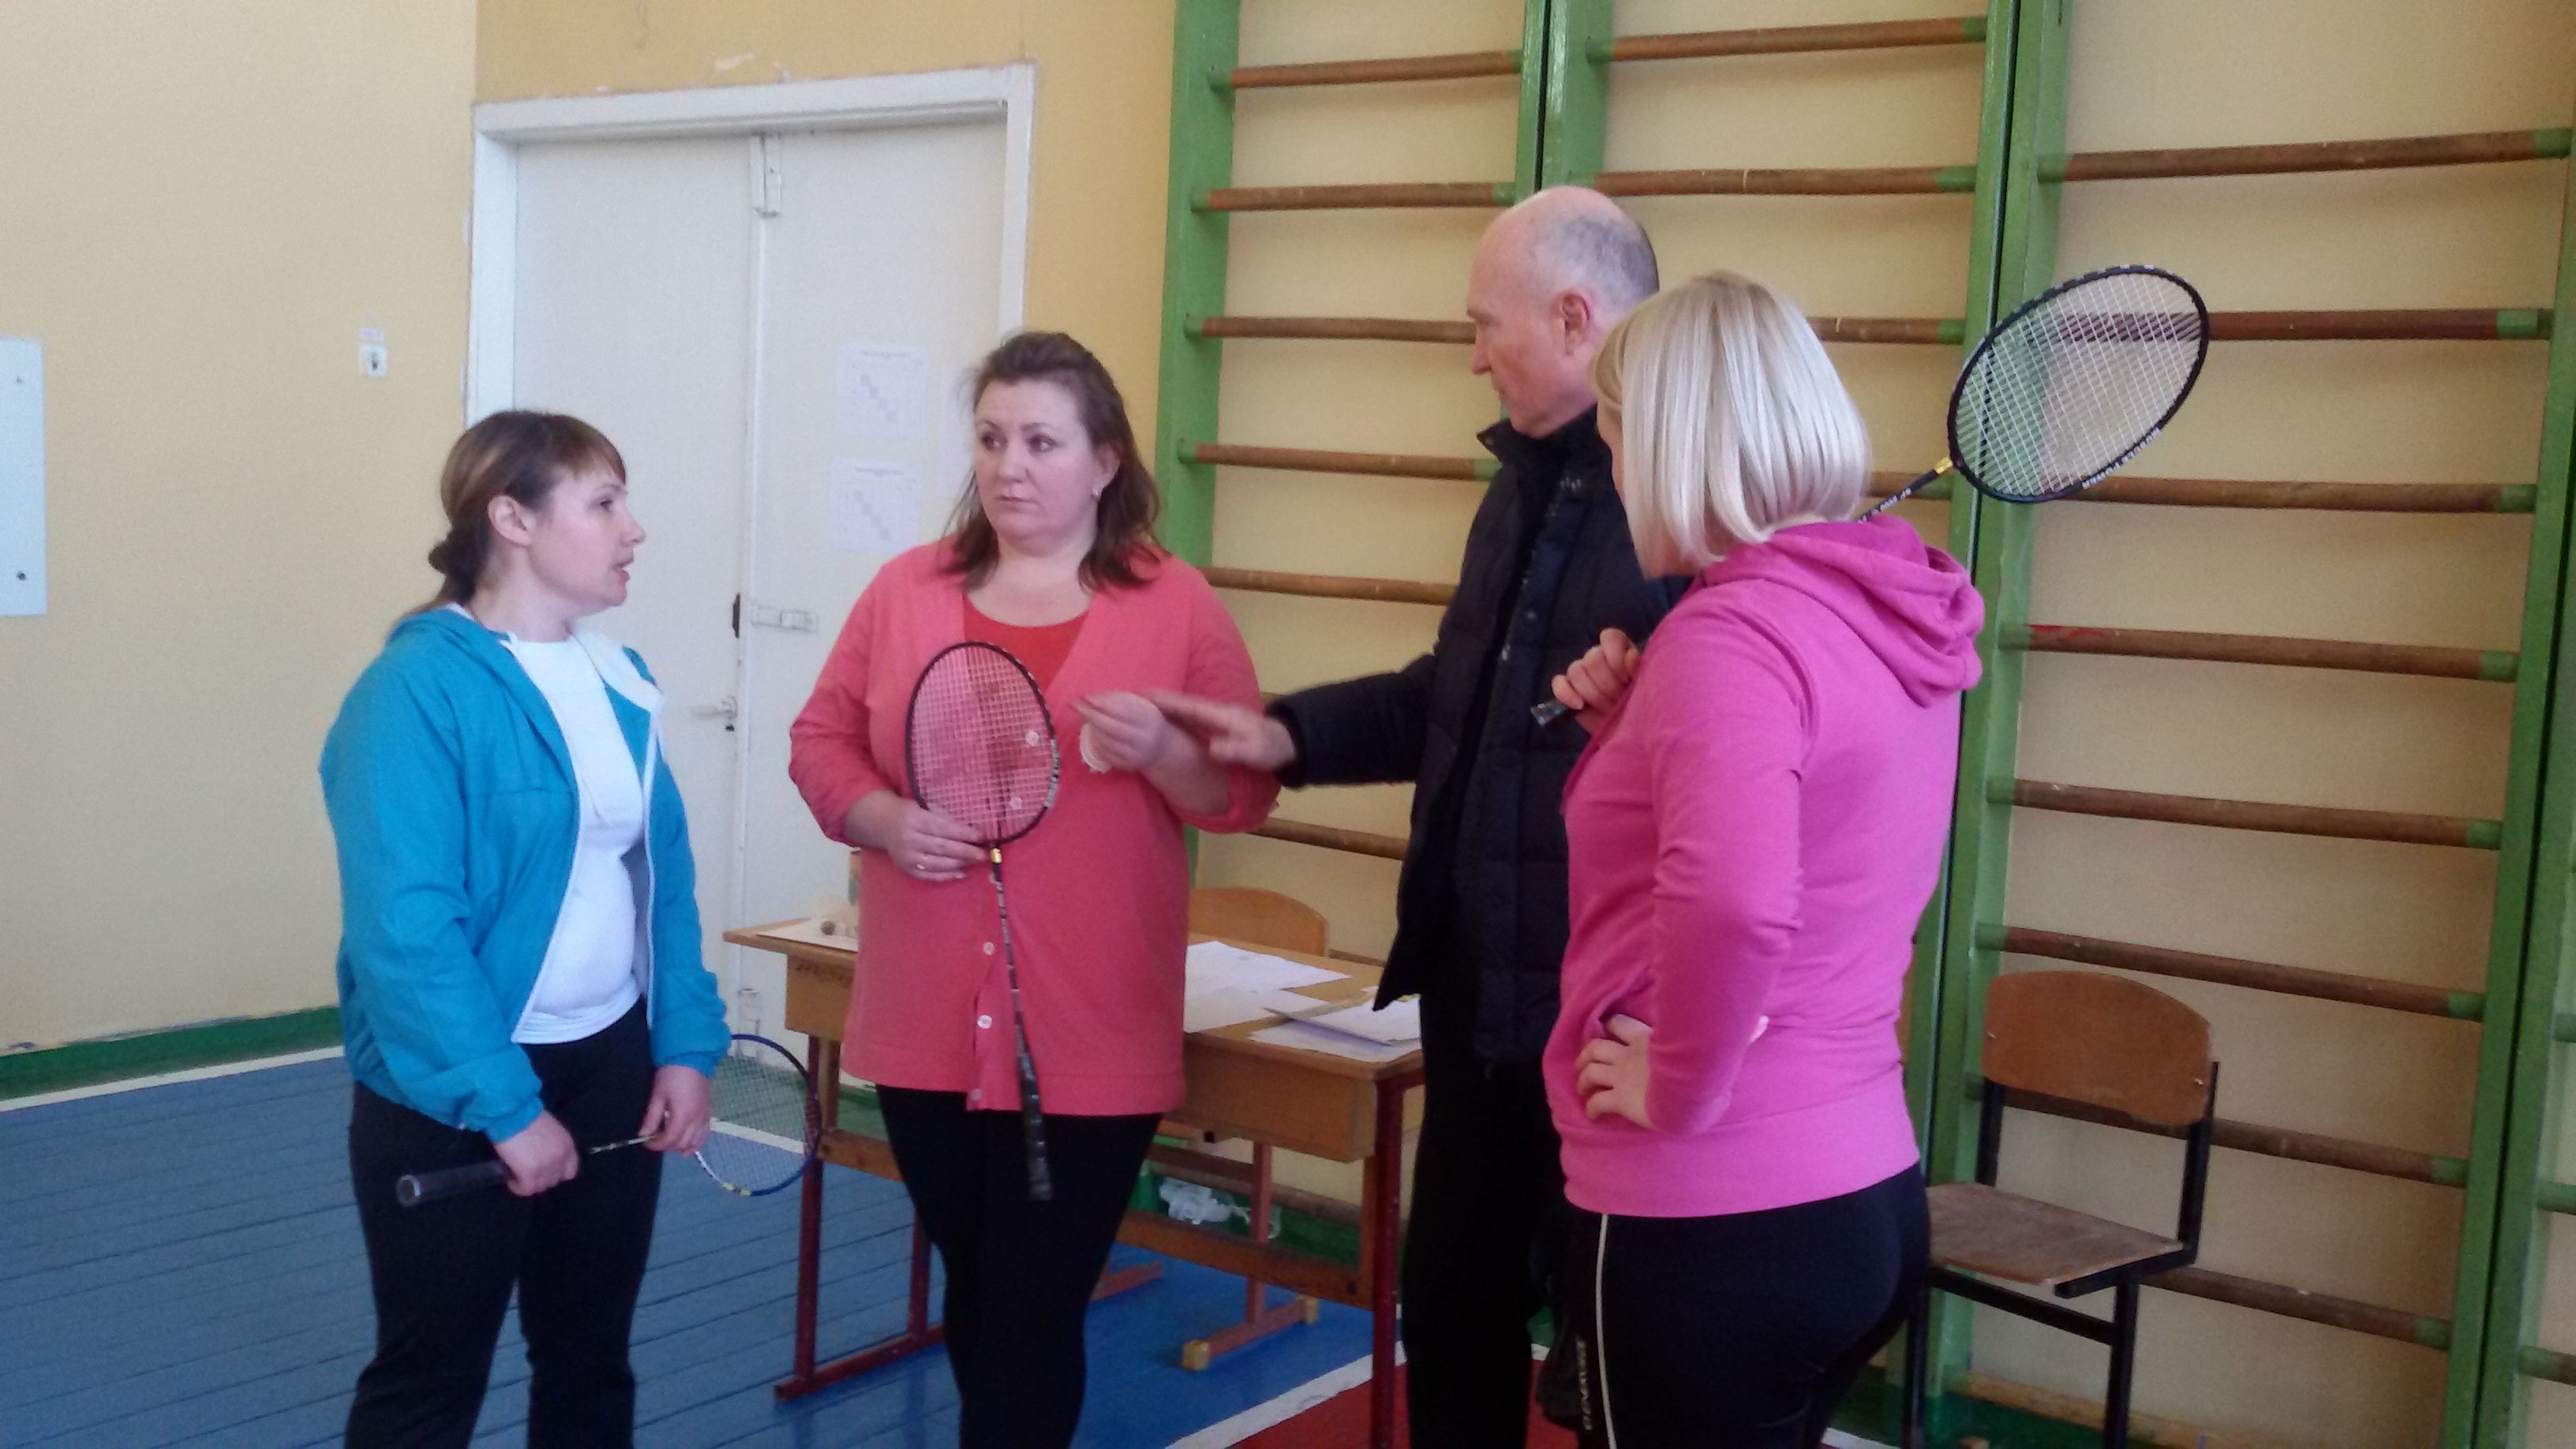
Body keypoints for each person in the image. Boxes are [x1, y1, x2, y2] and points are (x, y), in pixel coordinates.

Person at [1152, 185, 1679, 1445]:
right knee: (1448, 1312)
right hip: (1478, 997)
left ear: (1574, 318)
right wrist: (1288, 734)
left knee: (1617, 1368)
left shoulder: (1677, 504)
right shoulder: (1522, 487)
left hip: (1604, 1022)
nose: (1474, 354)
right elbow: (1461, 694)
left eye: (1485, 324)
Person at [786, 331, 1278, 1447]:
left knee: (1030, 1298)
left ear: (1105, 462)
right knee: (981, 1286)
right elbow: (820, 743)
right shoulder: (905, 590)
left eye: (1042, 443)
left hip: (1093, 1029)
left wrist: (1165, 752)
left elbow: (1244, 794)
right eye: (992, 438)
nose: (1010, 466)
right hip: (922, 1022)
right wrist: (883, 820)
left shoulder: (1176, 605)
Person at [1541, 272, 1983, 1447]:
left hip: (1711, 1213)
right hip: (1862, 1200)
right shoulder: (1885, 612)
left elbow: (1735, 903)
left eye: (1617, 442)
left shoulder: (1729, 636)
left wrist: (1679, 1086)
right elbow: (1829, 837)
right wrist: (1638, 735)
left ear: (1670, 444)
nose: (1616, 475)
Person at [320, 410, 732, 1448]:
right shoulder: (410, 693)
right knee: (429, 1383)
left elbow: (663, 883)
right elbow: (407, 933)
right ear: (512, 519)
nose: (634, 529)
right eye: (604, 503)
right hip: (449, 1089)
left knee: (591, 1361)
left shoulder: (618, 679)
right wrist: (505, 1107)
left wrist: (683, 1046)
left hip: (610, 1063)